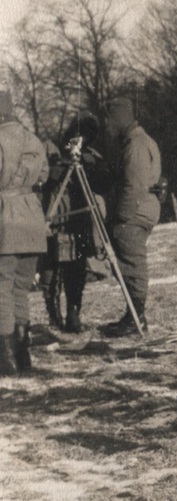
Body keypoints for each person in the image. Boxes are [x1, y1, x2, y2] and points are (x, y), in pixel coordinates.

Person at [40, 112, 110, 333]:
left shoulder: (91, 157)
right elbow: (44, 178)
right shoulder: (52, 151)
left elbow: (103, 183)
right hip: (55, 221)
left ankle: (73, 313)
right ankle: (53, 314)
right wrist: (60, 167)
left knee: (77, 268)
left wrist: (91, 167)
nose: (79, 140)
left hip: (78, 221)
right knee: (50, 267)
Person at [102, 97, 161, 337]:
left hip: (133, 213)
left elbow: (133, 186)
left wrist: (121, 217)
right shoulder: (135, 141)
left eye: (109, 120)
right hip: (138, 210)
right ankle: (133, 315)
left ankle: (136, 317)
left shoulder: (135, 145)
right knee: (128, 264)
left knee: (132, 265)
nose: (106, 126)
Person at [0, 90, 49, 376]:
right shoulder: (32, 138)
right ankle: (22, 355)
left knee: (1, 289)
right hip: (32, 219)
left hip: (6, 217)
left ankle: (5, 361)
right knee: (21, 288)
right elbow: (43, 175)